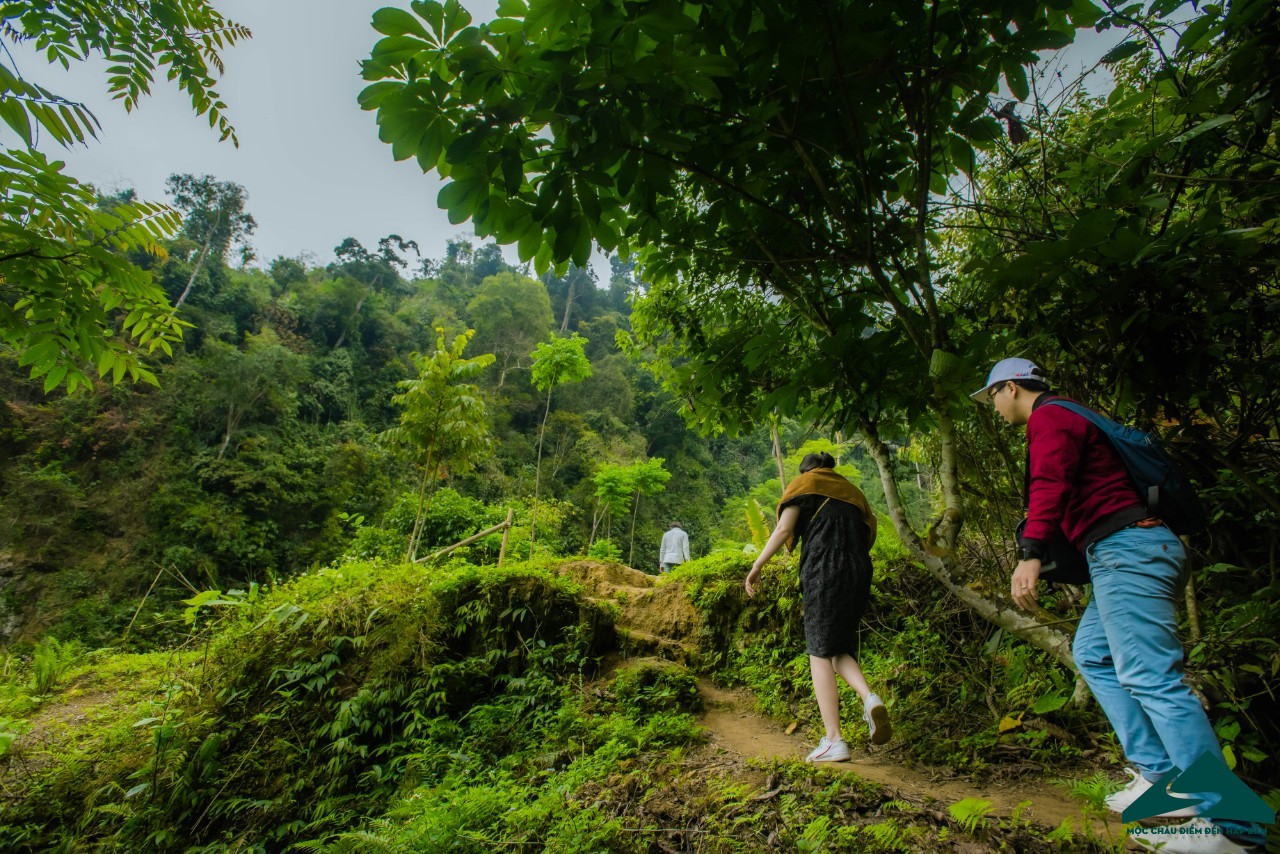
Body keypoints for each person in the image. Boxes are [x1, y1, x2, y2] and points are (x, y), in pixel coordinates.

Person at [974, 357, 1264, 854]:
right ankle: (1161, 779)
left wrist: (1030, 554)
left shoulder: (1050, 416)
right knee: (1094, 653)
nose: (994, 408)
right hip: (1130, 554)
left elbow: (1050, 484)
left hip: (1128, 552)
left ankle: (1230, 825)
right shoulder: (1075, 414)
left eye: (993, 397)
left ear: (1011, 387)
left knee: (1152, 677)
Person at [745, 452, 891, 761]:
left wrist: (758, 565)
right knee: (838, 648)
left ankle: (834, 739)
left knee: (818, 650)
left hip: (824, 567)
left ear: (807, 470)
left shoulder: (805, 484)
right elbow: (868, 534)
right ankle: (870, 698)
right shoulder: (853, 493)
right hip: (859, 569)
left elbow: (785, 529)